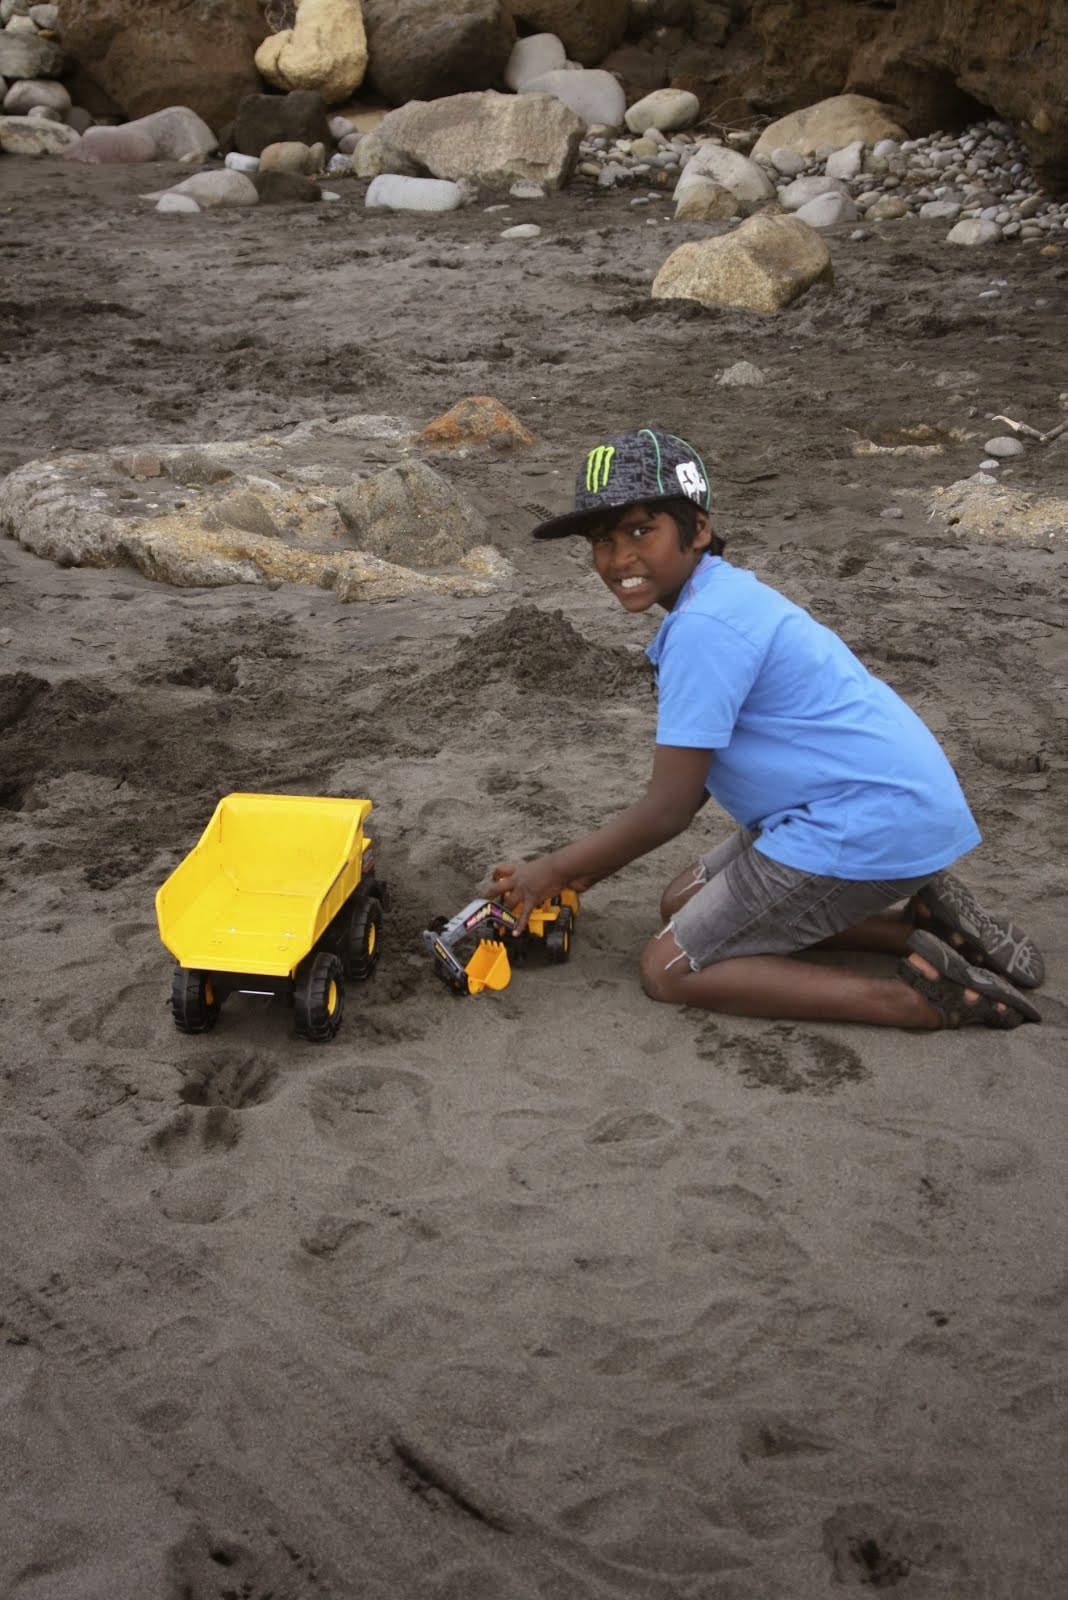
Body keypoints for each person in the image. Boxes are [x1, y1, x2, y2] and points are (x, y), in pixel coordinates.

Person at [489, 427, 1044, 1031]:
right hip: (867, 803)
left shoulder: (704, 628)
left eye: (641, 530)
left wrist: (552, 870)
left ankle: (921, 1001)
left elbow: (670, 809)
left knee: (671, 967)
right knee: (680, 902)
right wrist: (577, 876)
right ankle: (920, 924)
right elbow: (697, 776)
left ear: (698, 529)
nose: (619, 557)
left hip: (859, 822)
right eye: (602, 539)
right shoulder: (721, 596)